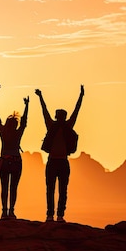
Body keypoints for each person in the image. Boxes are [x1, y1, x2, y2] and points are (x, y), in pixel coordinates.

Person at [35, 85, 84, 222]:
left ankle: (53, 215)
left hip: (55, 161)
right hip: (60, 161)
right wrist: (81, 96)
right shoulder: (65, 126)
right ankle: (56, 215)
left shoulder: (53, 126)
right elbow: (76, 111)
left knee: (53, 190)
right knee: (60, 190)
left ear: (57, 116)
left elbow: (45, 112)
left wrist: (40, 97)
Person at [0, 96, 29, 220]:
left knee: (4, 188)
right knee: (13, 188)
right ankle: (11, 211)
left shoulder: (3, 132)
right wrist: (27, 106)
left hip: (4, 162)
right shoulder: (17, 133)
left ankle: (4, 212)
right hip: (16, 162)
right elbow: (24, 123)